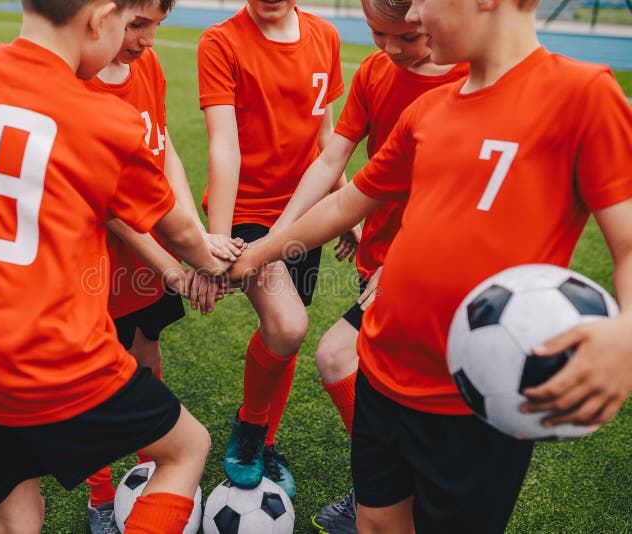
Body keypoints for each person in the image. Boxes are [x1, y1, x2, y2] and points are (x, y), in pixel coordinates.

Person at [228, 0, 632, 529]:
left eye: (425, 1)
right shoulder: (428, 112)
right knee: (377, 523)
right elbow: (346, 204)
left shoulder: (582, 95)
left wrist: (626, 334)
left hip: (475, 398)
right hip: (379, 375)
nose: (414, 14)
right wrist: (255, 253)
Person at [0, 1, 230, 532]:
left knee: (15, 519)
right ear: (101, 18)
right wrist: (225, 258)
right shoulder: (104, 119)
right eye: (130, 23)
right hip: (55, 352)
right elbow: (185, 237)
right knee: (187, 448)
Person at [265, 0, 468, 529]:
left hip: (431, 266)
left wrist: (405, 262)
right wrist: (278, 236)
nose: (393, 50)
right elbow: (333, 159)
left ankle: (390, 493)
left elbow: (463, 194)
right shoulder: (375, 72)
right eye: (380, 34)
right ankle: (389, 494)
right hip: (377, 256)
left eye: (409, 38)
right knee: (378, 381)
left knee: (338, 356)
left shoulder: (470, 78)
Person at [81, 2, 244, 531]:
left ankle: (148, 463)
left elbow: (164, 147)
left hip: (160, 248)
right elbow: (107, 207)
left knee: (147, 348)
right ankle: (101, 496)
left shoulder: (146, 65)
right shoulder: (79, 87)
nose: (148, 39)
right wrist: (175, 266)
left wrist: (194, 238)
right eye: (137, 26)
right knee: (98, 378)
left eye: (157, 26)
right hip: (103, 268)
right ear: (100, 14)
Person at [196, 0, 347, 499]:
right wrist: (217, 241)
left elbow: (326, 137)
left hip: (305, 210)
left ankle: (264, 438)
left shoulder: (324, 36)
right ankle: (250, 428)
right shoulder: (221, 41)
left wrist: (343, 202)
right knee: (288, 325)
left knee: (285, 333)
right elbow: (224, 146)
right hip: (248, 212)